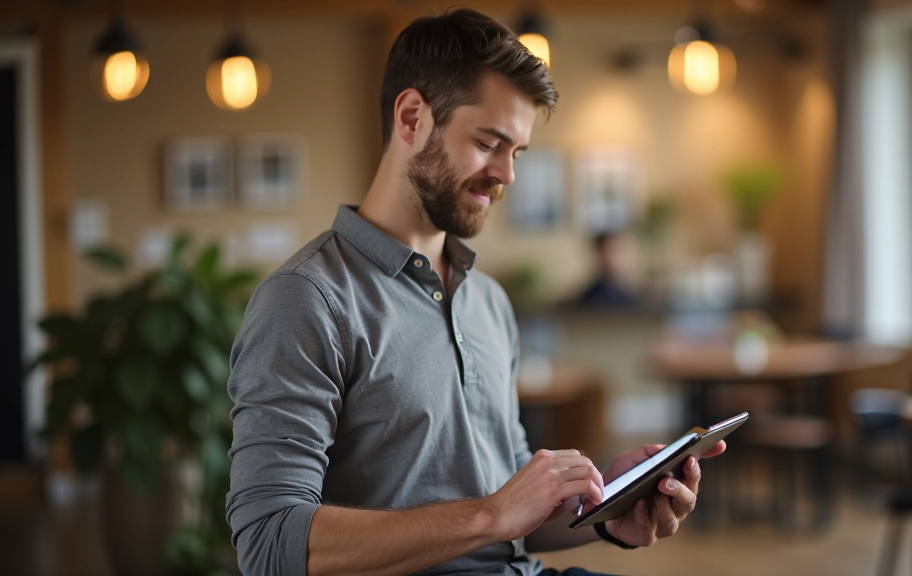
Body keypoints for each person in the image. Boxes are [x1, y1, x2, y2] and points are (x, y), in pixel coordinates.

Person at [225, 9, 725, 576]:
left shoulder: (488, 301)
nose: (507, 175)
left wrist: (609, 510)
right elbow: (269, 545)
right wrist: (490, 515)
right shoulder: (305, 300)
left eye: (517, 152)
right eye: (490, 142)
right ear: (412, 117)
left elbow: (514, 514)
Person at [573, 231, 641, 309]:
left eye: (619, 250)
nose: (617, 258)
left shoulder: (626, 293)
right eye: (611, 250)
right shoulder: (596, 295)